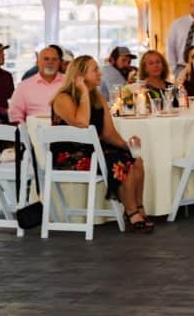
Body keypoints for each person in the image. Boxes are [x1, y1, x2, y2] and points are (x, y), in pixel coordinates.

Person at [51, 56, 152, 233]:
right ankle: (131, 212)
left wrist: (126, 145)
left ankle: (138, 207)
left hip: (94, 150)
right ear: (80, 75)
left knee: (135, 159)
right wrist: (82, 91)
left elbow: (108, 133)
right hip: (71, 155)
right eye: (94, 70)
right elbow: (81, 124)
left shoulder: (98, 98)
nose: (100, 73)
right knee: (120, 162)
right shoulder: (63, 98)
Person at [8, 46, 64, 123]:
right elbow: (15, 115)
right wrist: (25, 132)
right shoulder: (24, 86)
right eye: (46, 59)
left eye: (54, 59)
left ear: (60, 62)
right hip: (33, 132)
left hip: (65, 132)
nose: (50, 62)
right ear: (37, 62)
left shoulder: (70, 83)